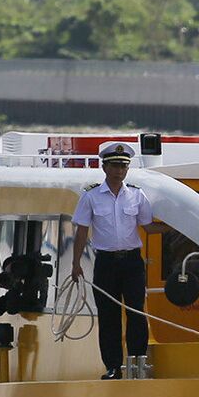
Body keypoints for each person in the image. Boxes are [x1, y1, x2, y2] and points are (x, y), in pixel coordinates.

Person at [70, 141, 156, 379]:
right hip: (106, 262)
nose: (120, 170)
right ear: (105, 167)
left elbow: (148, 227)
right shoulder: (91, 196)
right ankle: (113, 367)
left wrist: (181, 230)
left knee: (136, 312)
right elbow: (81, 232)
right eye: (115, 165)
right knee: (109, 315)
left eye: (123, 166)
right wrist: (76, 264)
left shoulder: (137, 195)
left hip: (131, 262)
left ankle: (137, 362)